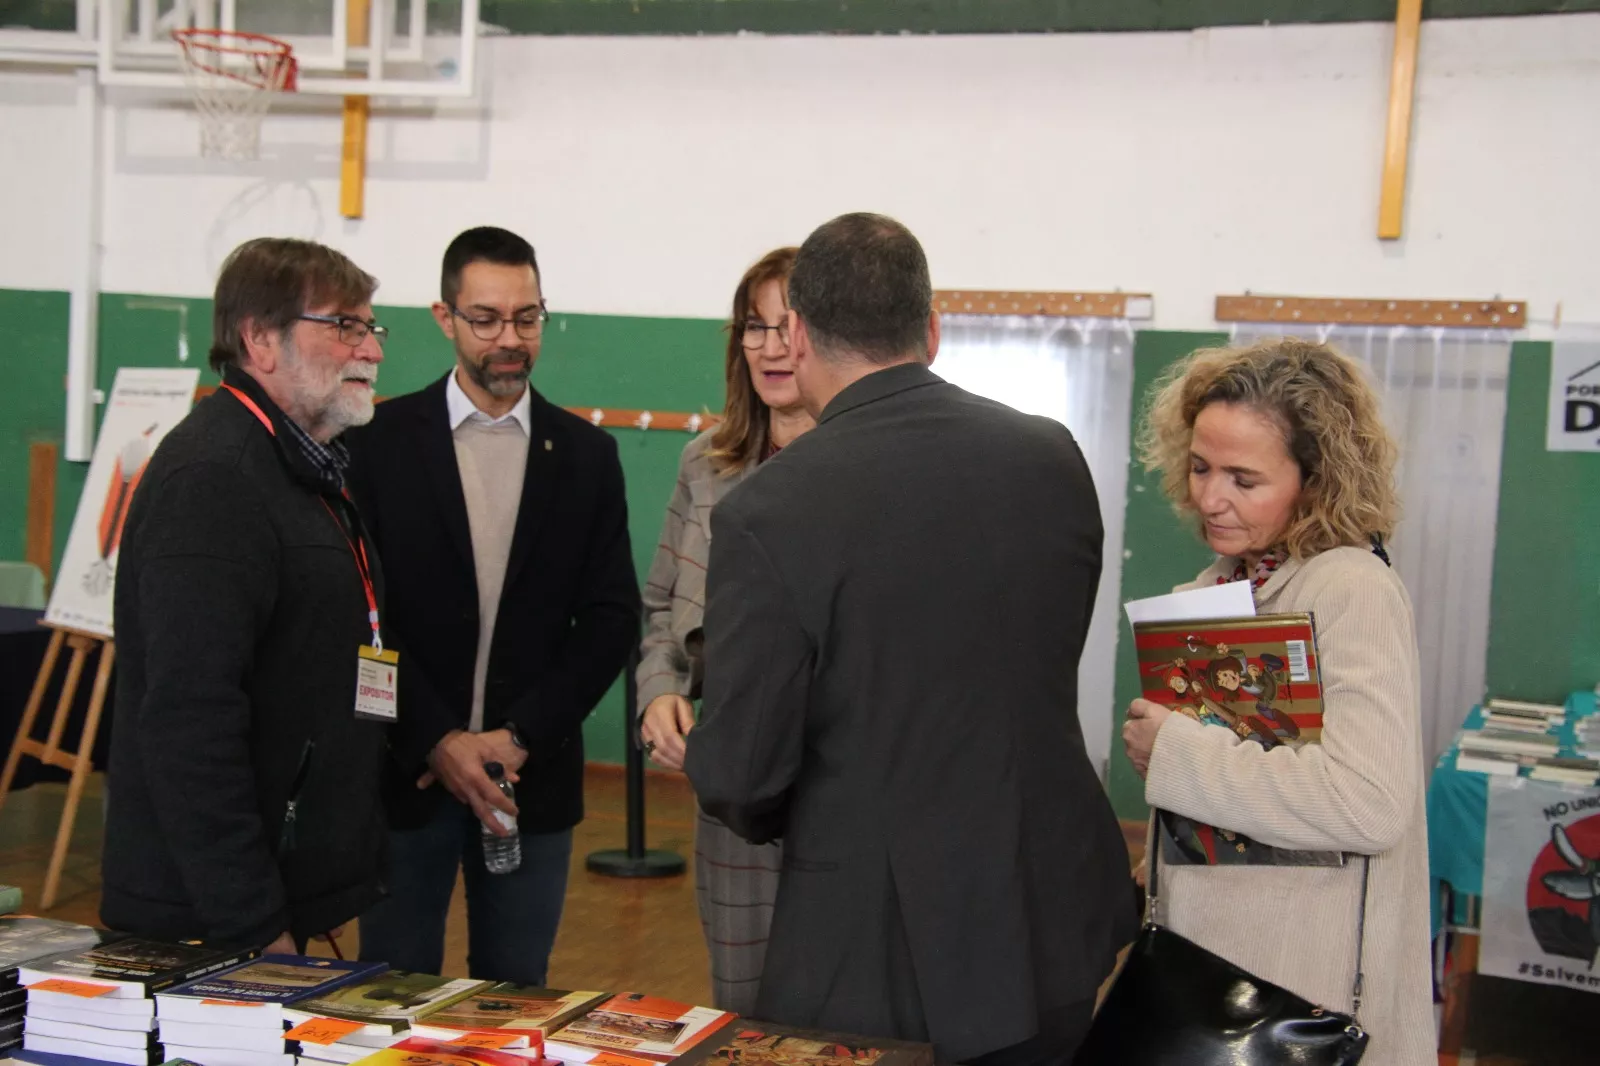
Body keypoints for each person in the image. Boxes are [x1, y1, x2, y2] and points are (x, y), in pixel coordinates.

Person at [682, 213, 1138, 1065]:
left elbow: (743, 771)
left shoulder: (769, 509)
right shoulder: (1050, 456)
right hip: (1049, 903)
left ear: (800, 335)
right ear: (931, 329)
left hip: (879, 938)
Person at [1120, 338, 1434, 1066]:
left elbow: (1367, 803)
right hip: (1214, 974)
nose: (1210, 497)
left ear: (1314, 480)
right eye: (1201, 467)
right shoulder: (1218, 585)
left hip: (1302, 992)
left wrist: (1174, 754)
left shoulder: (1351, 587)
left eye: (1244, 478)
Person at [345, 226, 639, 984]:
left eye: (526, 317)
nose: (509, 339)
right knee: (389, 992)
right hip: (407, 776)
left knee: (515, 998)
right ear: (444, 318)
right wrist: (435, 738)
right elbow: (359, 613)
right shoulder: (376, 443)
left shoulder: (587, 457)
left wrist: (519, 737)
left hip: (530, 782)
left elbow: (609, 619)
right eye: (485, 319)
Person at [102, 237, 389, 953]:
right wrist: (255, 923)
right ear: (260, 339)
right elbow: (189, 723)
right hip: (214, 920)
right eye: (344, 326)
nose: (372, 350)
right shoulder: (215, 479)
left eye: (370, 327)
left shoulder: (303, 465)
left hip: (277, 891)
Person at [635, 246, 815, 1014]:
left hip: (838, 798)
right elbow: (658, 613)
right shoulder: (705, 464)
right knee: (744, 1011)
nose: (771, 347)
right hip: (731, 799)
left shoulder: (866, 468)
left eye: (789, 326)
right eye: (754, 326)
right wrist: (659, 695)